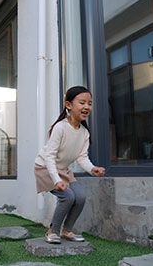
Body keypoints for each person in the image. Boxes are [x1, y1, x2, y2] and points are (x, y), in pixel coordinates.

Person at [34, 86, 106, 244]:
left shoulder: (84, 132)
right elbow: (49, 157)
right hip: (45, 168)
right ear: (69, 105)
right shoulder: (60, 127)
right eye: (82, 102)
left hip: (63, 170)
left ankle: (67, 230)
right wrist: (56, 180)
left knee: (80, 197)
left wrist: (92, 169)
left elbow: (82, 157)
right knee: (67, 197)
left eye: (90, 103)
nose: (87, 107)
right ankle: (53, 231)